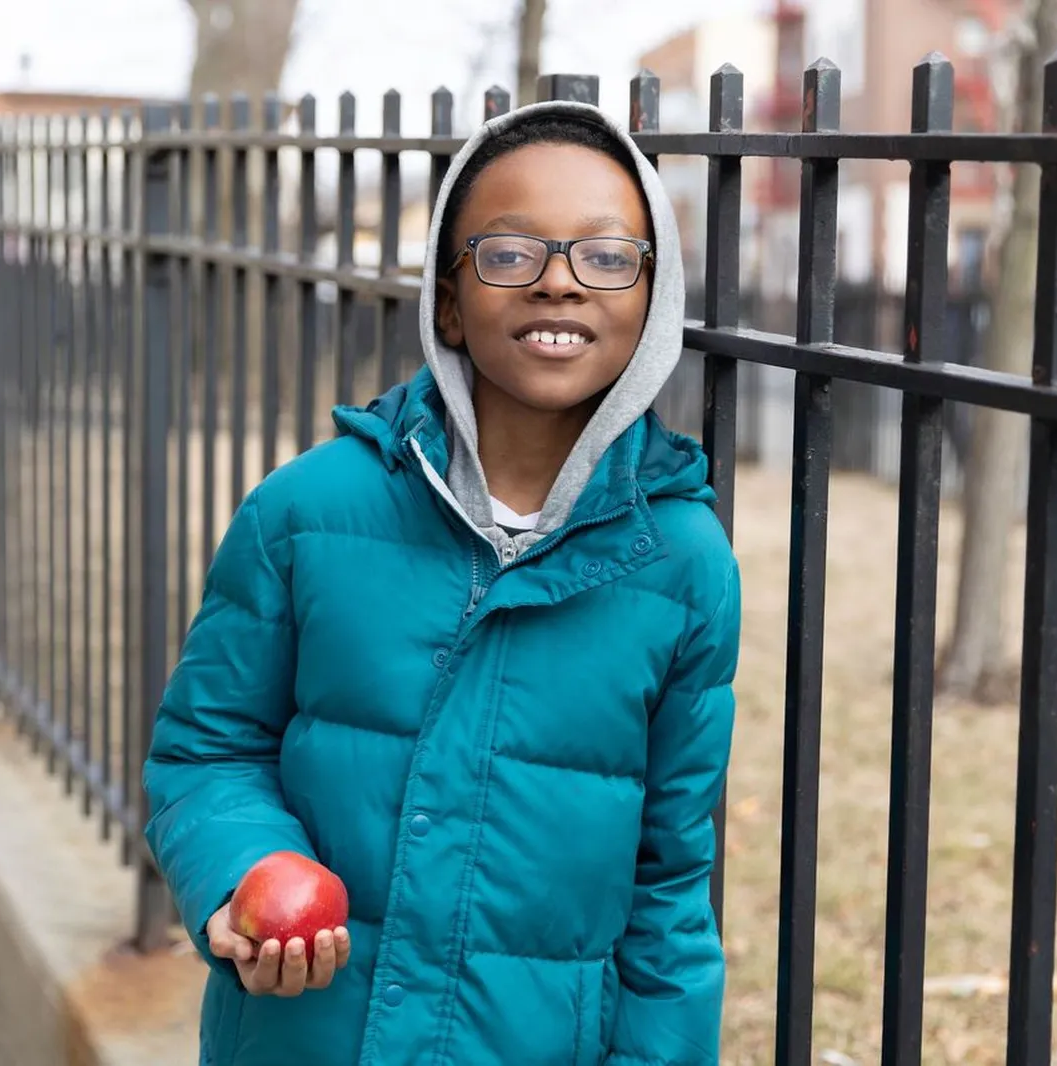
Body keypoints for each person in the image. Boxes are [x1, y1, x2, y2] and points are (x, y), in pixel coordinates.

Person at [144, 97, 742, 1066]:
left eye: (604, 256)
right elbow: (205, 750)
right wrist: (243, 867)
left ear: (651, 297)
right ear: (449, 300)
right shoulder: (305, 511)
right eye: (509, 253)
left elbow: (669, 883)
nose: (558, 284)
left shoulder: (682, 564)